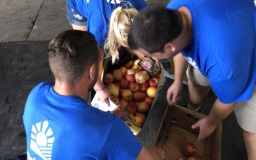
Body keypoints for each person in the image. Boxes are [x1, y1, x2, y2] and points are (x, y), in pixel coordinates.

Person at [127, 0, 256, 160]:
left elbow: (230, 98)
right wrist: (178, 80)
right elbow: (180, 51)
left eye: (153, 55)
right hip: (247, 24)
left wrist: (211, 122)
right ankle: (194, 110)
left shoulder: (223, 59)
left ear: (168, 47)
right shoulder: (174, 10)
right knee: (196, 78)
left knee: (255, 126)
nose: (152, 60)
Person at [23, 30, 164, 160]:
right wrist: (161, 151)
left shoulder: (35, 95)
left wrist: (107, 121)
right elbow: (151, 158)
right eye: (99, 62)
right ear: (92, 71)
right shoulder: (107, 129)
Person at [66, 0, 147, 104]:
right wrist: (100, 89)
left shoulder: (143, 10)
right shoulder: (99, 27)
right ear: (113, 35)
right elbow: (88, 63)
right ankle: (95, 86)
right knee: (88, 51)